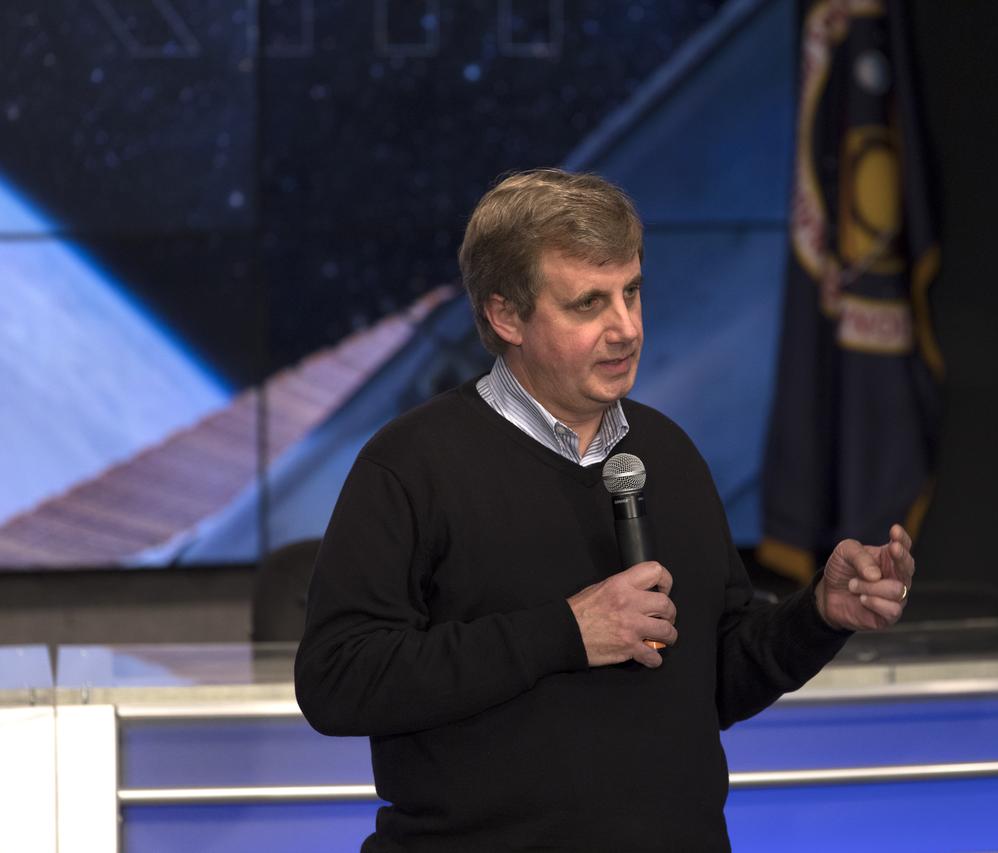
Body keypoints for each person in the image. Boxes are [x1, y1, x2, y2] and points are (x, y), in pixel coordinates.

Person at [294, 169, 916, 852]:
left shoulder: (669, 452)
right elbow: (338, 679)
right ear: (507, 316)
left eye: (632, 292)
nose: (625, 328)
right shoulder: (412, 463)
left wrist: (819, 614)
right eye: (588, 303)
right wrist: (566, 631)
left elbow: (717, 681)